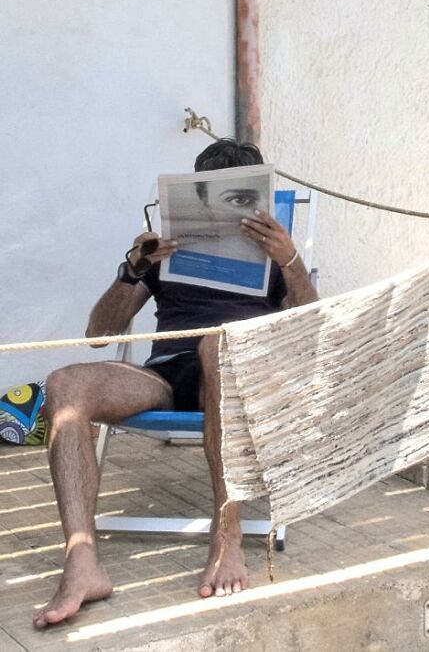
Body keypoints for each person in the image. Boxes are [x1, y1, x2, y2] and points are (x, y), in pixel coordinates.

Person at [34, 139, 318, 629]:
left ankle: (225, 539)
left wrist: (290, 260)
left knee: (217, 346)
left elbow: (310, 330)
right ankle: (81, 563)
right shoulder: (170, 255)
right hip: (165, 373)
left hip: (239, 373)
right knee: (64, 385)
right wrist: (133, 270)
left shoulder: (276, 258)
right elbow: (99, 334)